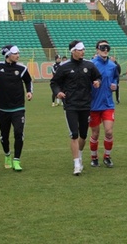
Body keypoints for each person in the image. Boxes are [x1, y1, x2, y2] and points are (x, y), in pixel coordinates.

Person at [50, 40, 101, 175]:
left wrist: (97, 82)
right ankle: (76, 164)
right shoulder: (64, 67)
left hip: (85, 104)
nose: (83, 51)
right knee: (74, 134)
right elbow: (54, 82)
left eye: (83, 49)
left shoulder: (89, 65)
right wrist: (58, 92)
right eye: (80, 49)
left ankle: (79, 155)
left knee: (83, 134)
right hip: (70, 105)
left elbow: (98, 77)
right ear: (73, 51)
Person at [0, 45, 33, 171]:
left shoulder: (21, 68)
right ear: (7, 55)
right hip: (2, 108)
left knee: (19, 133)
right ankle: (7, 155)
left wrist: (29, 92)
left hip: (18, 107)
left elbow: (28, 80)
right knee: (4, 136)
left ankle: (16, 160)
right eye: (15, 53)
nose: (18, 56)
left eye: (18, 53)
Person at [89, 40, 119, 168]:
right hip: (94, 105)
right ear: (97, 49)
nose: (105, 50)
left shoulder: (113, 66)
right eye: (102, 47)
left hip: (108, 104)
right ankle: (94, 157)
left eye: (107, 47)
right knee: (95, 133)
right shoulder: (91, 65)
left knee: (109, 132)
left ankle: (107, 156)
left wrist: (115, 85)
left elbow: (115, 79)